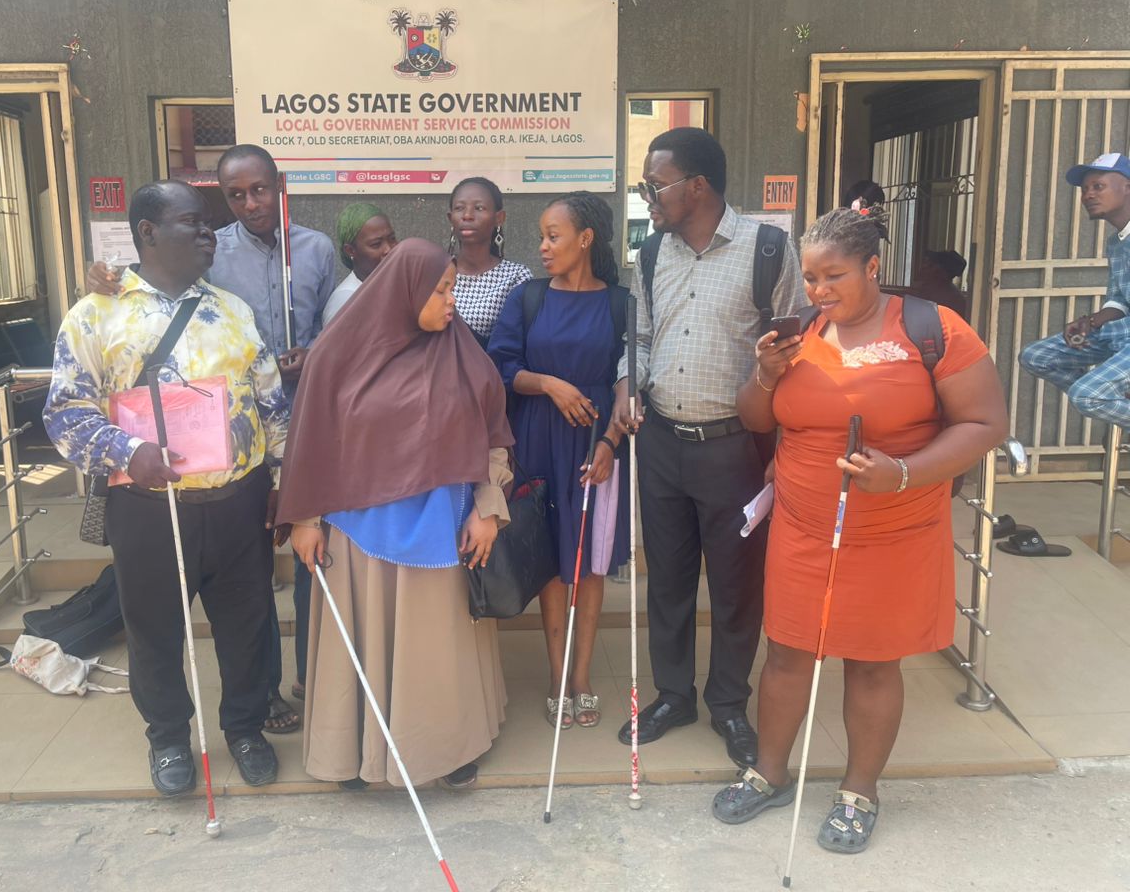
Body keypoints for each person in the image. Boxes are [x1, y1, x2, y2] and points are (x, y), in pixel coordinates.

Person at [712, 205, 1007, 854]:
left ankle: (858, 791)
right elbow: (758, 419)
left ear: (873, 268)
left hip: (894, 529)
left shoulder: (933, 330)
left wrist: (902, 471)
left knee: (873, 664)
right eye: (810, 278)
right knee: (787, 653)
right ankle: (769, 771)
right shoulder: (802, 333)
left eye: (833, 276)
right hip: (802, 527)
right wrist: (764, 373)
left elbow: (985, 425)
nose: (818, 291)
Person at [44, 180, 287, 794]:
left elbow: (271, 405)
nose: (208, 232)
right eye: (191, 222)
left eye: (208, 223)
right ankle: (171, 739)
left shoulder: (232, 311)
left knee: (248, 623)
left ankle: (245, 728)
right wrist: (128, 451)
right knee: (154, 629)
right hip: (150, 507)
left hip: (238, 504)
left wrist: (282, 481)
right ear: (148, 232)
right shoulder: (97, 314)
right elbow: (64, 410)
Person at [87, 144, 337, 734]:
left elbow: (321, 347)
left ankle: (278, 701)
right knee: (170, 621)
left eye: (260, 190)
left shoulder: (301, 263)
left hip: (278, 454)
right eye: (233, 196)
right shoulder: (185, 262)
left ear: (281, 185)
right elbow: (71, 400)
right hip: (168, 484)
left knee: (265, 598)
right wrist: (102, 280)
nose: (248, 204)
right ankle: (197, 726)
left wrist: (316, 355)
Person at [277, 238, 513, 791]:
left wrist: (488, 508)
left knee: (434, 648)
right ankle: (353, 749)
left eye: (452, 287)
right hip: (359, 536)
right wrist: (306, 520)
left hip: (441, 527)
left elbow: (492, 436)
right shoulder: (337, 355)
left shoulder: (461, 353)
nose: (451, 301)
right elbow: (311, 439)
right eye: (440, 290)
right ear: (403, 292)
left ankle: (444, 750)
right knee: (362, 644)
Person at [611, 127, 804, 768]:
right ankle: (673, 695)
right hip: (662, 439)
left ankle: (727, 704)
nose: (648, 196)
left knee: (735, 585)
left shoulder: (769, 249)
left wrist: (787, 444)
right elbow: (637, 333)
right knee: (665, 578)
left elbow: (795, 347)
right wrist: (624, 385)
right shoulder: (651, 252)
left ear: (697, 186)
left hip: (734, 446)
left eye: (654, 183)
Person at [487, 192, 630, 731]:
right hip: (539, 440)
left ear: (585, 239)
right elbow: (500, 368)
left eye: (554, 235)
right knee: (552, 559)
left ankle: (583, 678)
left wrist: (611, 444)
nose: (543, 247)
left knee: (589, 561)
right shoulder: (527, 298)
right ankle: (557, 674)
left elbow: (629, 379)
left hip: (597, 444)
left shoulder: (621, 303)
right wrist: (549, 384)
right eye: (542, 236)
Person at [1019, 152, 1130, 427]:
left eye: (1098, 186)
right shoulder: (1117, 242)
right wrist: (1089, 323)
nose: (1088, 195)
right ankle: (1117, 397)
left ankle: (1104, 394)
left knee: (1088, 395)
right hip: (1119, 335)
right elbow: (1119, 298)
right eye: (1084, 190)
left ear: (1127, 186)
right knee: (1036, 356)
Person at [447, 176, 533, 346]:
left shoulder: (516, 277)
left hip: (489, 370)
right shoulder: (434, 270)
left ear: (499, 218)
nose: (467, 215)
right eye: (459, 208)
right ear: (450, 218)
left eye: (479, 208)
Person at [322, 203, 398, 324]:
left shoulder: (396, 287)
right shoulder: (347, 301)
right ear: (350, 250)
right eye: (376, 244)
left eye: (392, 239)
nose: (389, 249)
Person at [911, 249, 969, 318]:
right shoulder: (924, 290)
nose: (924, 267)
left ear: (939, 271)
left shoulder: (953, 301)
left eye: (930, 265)